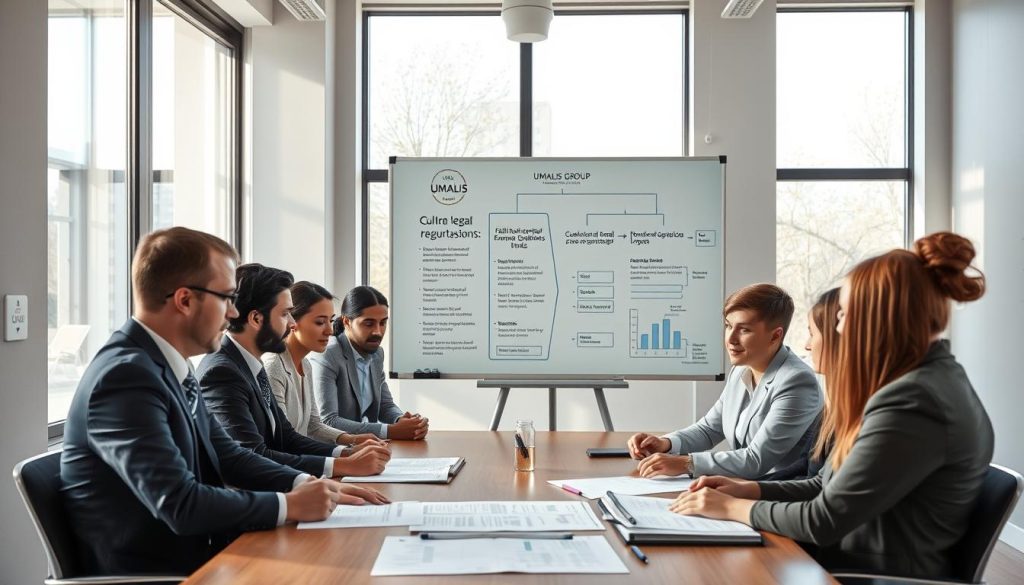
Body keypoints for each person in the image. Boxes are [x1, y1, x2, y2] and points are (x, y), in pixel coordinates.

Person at [60, 227, 386, 575]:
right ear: (185, 300)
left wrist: (306, 484)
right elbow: (180, 504)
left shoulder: (168, 364)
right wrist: (288, 505)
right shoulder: (125, 377)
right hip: (165, 571)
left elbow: (229, 454)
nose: (234, 314)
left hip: (205, 553)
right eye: (227, 298)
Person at [670, 232, 994, 580]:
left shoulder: (914, 403)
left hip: (869, 571)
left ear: (876, 320)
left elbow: (823, 520)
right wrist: (750, 489)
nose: (836, 327)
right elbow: (824, 487)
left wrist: (734, 507)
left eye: (843, 314)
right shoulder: (925, 383)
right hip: (850, 557)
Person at [198, 264, 392, 478]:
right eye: (285, 314)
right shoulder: (222, 372)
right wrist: (343, 466)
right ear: (255, 319)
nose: (292, 324)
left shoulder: (252, 364)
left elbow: (286, 436)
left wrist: (346, 453)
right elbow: (252, 455)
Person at [627, 283, 821, 480]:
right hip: (742, 485)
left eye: (744, 330)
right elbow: (710, 429)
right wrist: (665, 443)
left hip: (778, 494)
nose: (731, 339)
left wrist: (687, 463)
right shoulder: (741, 369)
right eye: (728, 326)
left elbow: (756, 460)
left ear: (775, 335)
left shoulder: (797, 381)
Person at [262, 281, 383, 447]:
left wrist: (353, 439)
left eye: (331, 321)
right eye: (320, 322)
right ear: (292, 322)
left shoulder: (305, 365)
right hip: (288, 466)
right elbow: (283, 438)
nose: (330, 330)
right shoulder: (273, 366)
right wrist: (344, 456)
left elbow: (313, 425)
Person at [310, 285, 428, 440]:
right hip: (333, 453)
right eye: (368, 323)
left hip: (364, 449)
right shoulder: (328, 355)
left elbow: (385, 406)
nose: (378, 332)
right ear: (347, 322)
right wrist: (390, 431)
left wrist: (403, 421)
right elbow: (329, 421)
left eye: (383, 323)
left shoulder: (377, 354)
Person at [770, 287, 841, 480]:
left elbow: (817, 488)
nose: (807, 345)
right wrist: (744, 488)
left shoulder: (797, 379)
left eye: (813, 334)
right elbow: (806, 465)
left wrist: (737, 498)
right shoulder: (834, 405)